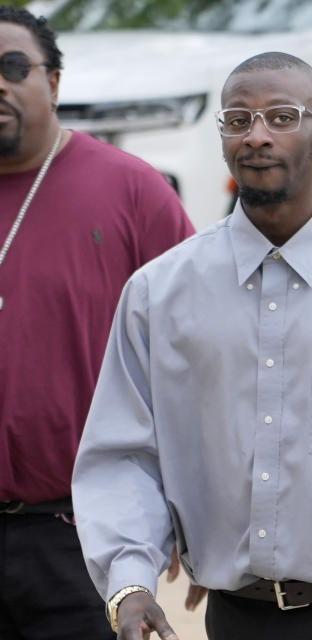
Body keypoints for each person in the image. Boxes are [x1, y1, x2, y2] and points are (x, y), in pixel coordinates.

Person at [71, 51, 312, 640]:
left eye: (282, 116)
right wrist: (131, 581)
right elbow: (123, 453)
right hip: (233, 617)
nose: (257, 136)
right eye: (237, 120)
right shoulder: (159, 293)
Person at [0, 5, 194, 638]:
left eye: (12, 66)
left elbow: (198, 356)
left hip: (78, 538)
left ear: (53, 82)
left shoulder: (131, 191)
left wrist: (189, 511)